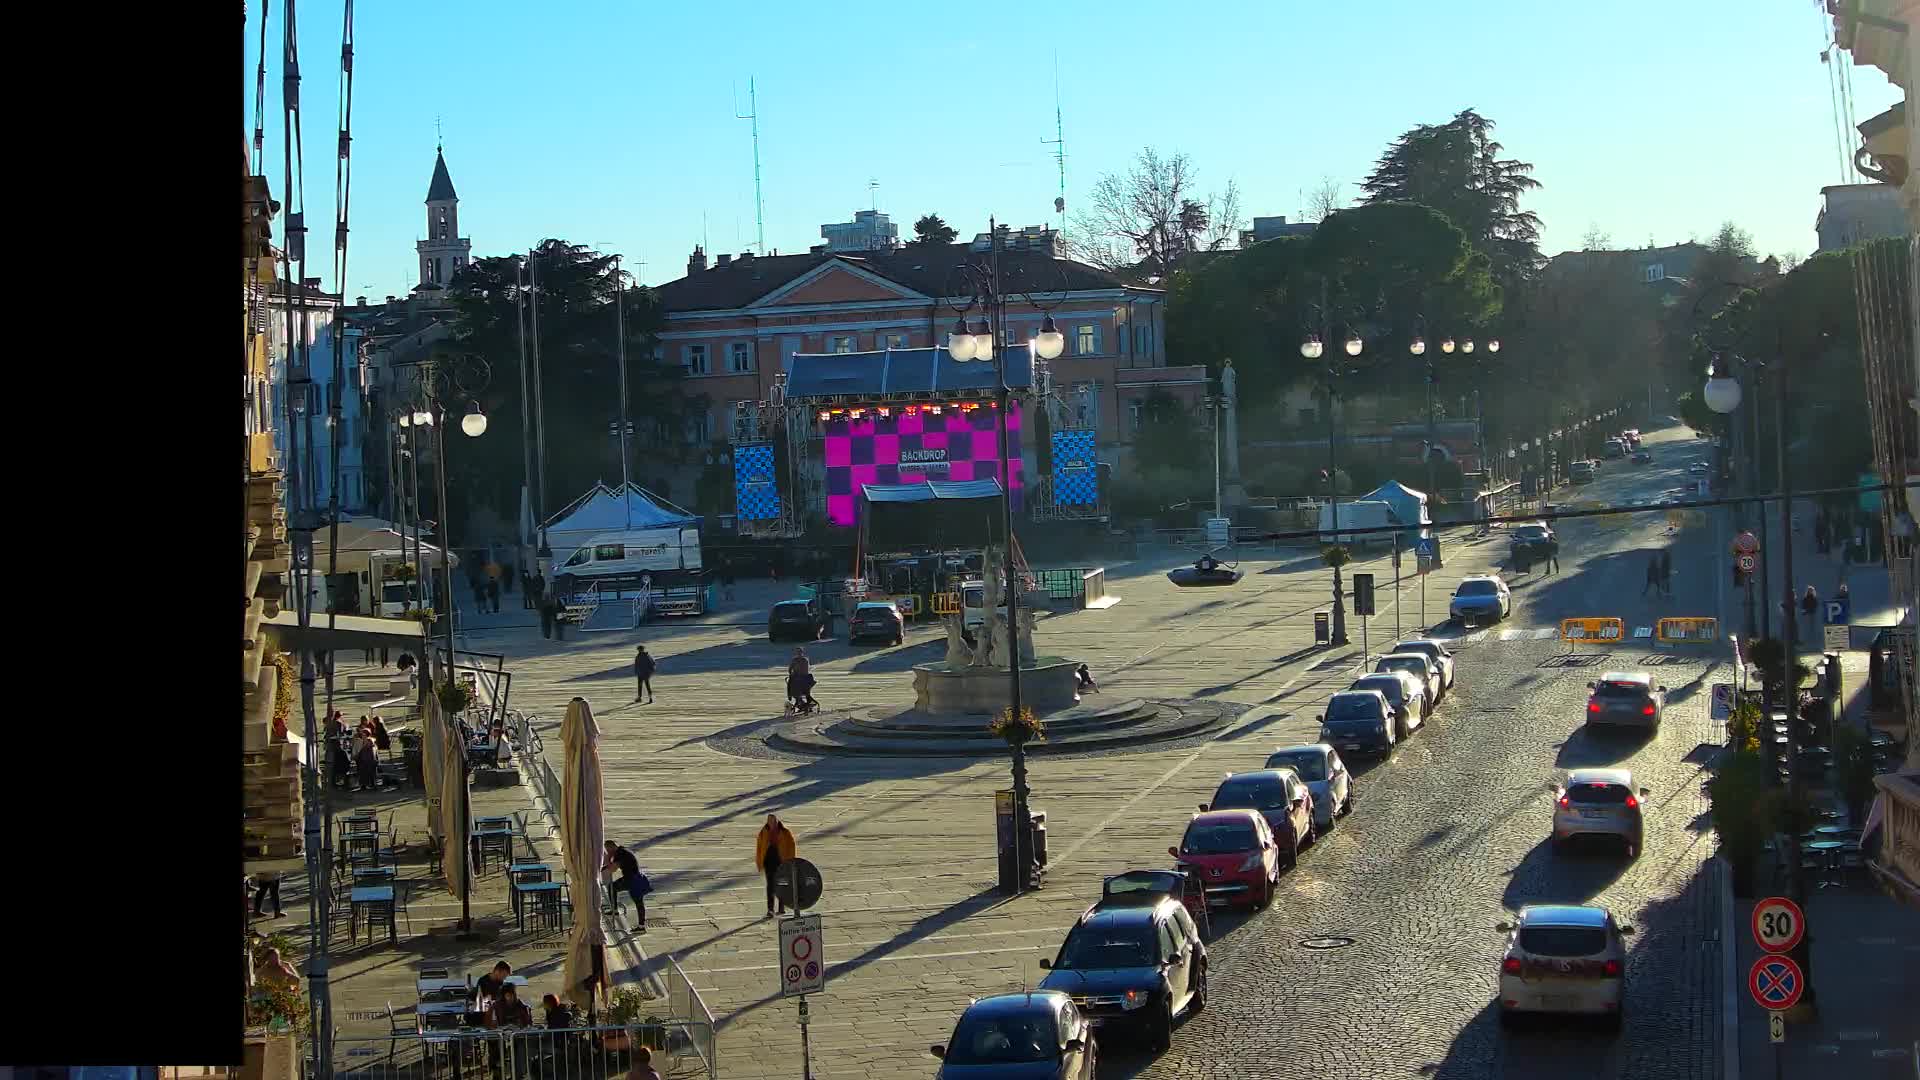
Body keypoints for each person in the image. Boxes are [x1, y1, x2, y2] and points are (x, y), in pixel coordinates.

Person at [754, 814, 798, 917]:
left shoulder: (785, 832)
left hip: (781, 861)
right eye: (770, 821)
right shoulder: (764, 831)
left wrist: (790, 861)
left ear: (777, 821)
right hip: (769, 861)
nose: (771, 823)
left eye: (773, 821)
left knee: (782, 884)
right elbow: (759, 847)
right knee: (770, 886)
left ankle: (781, 908)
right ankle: (770, 910)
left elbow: (791, 847)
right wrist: (759, 861)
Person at [603, 839, 650, 930]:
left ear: (612, 847)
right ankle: (641, 925)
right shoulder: (622, 850)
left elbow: (613, 869)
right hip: (637, 877)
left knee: (612, 887)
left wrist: (608, 858)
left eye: (608, 850)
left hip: (631, 880)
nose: (608, 852)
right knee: (638, 902)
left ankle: (615, 910)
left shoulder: (619, 854)